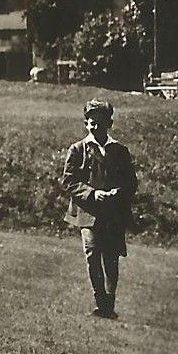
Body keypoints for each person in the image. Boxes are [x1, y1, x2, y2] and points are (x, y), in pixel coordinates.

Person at [62, 99, 138, 318]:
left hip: (113, 214)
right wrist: (92, 193)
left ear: (110, 124)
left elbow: (131, 182)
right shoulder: (78, 149)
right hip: (88, 213)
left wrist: (117, 193)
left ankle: (109, 304)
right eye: (91, 123)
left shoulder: (120, 151)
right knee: (92, 254)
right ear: (86, 123)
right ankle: (100, 300)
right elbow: (69, 181)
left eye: (100, 123)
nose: (95, 127)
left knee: (111, 258)